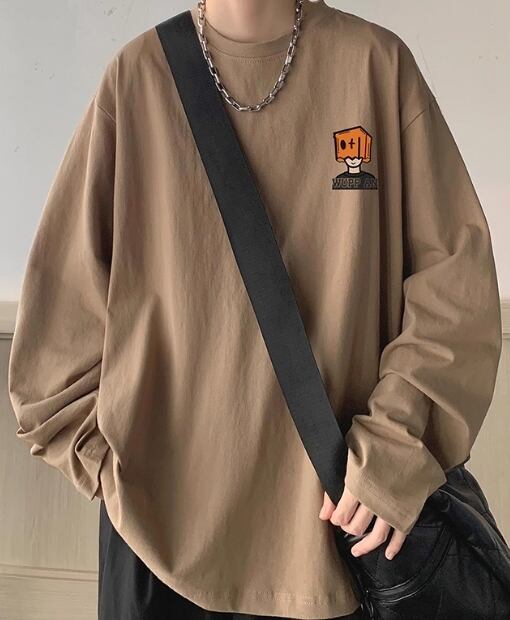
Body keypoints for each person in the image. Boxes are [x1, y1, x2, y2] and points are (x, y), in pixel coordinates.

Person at [8, 0, 502, 618]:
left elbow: (455, 288)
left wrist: (393, 453)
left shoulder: (375, 66)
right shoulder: (137, 78)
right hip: (159, 546)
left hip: (342, 536)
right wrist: (119, 474)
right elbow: (56, 331)